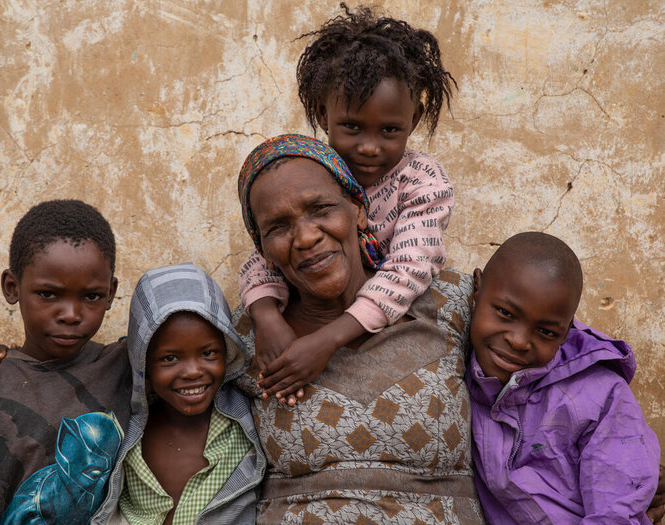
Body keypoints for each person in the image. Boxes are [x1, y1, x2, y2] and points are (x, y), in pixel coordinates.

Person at [235, 135, 484, 523]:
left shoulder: (451, 302)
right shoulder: (247, 336)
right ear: (262, 248)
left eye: (321, 209)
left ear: (358, 210)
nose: (305, 237)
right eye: (278, 228)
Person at [239, 4, 457, 403]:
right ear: (324, 114)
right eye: (352, 127)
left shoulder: (421, 180)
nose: (369, 148)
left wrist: (326, 340)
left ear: (416, 117)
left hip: (382, 318)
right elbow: (260, 255)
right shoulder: (315, 171)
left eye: (390, 130)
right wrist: (267, 317)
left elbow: (409, 268)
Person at [466, 232, 660, 524]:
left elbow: (616, 511)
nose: (519, 341)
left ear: (567, 331)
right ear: (476, 289)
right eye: (505, 313)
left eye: (546, 332)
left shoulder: (601, 396)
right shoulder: (448, 368)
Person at [0, 200, 132, 524]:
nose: (71, 315)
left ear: (111, 293)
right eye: (48, 294)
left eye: (92, 296)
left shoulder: (127, 368)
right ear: (12, 288)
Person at [93, 263, 266, 525]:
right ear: (143, 365)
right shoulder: (126, 425)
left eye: (208, 353)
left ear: (227, 350)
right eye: (170, 358)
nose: (193, 371)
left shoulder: (243, 422)